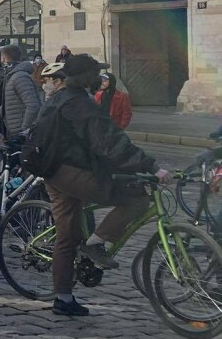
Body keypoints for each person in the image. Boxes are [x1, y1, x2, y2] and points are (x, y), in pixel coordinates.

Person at [30, 54, 164, 317]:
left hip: (54, 170)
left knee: (67, 235)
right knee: (136, 198)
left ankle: (63, 298)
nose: (100, 78)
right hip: (69, 171)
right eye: (96, 73)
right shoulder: (79, 103)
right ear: (83, 77)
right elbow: (110, 142)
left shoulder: (61, 97)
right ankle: (95, 243)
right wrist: (150, 167)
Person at [0, 42, 42, 141]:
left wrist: (24, 130)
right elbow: (6, 105)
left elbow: (33, 105)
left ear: (4, 58)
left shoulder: (19, 77)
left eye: (2, 57)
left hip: (20, 134)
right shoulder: (11, 76)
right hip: (13, 131)